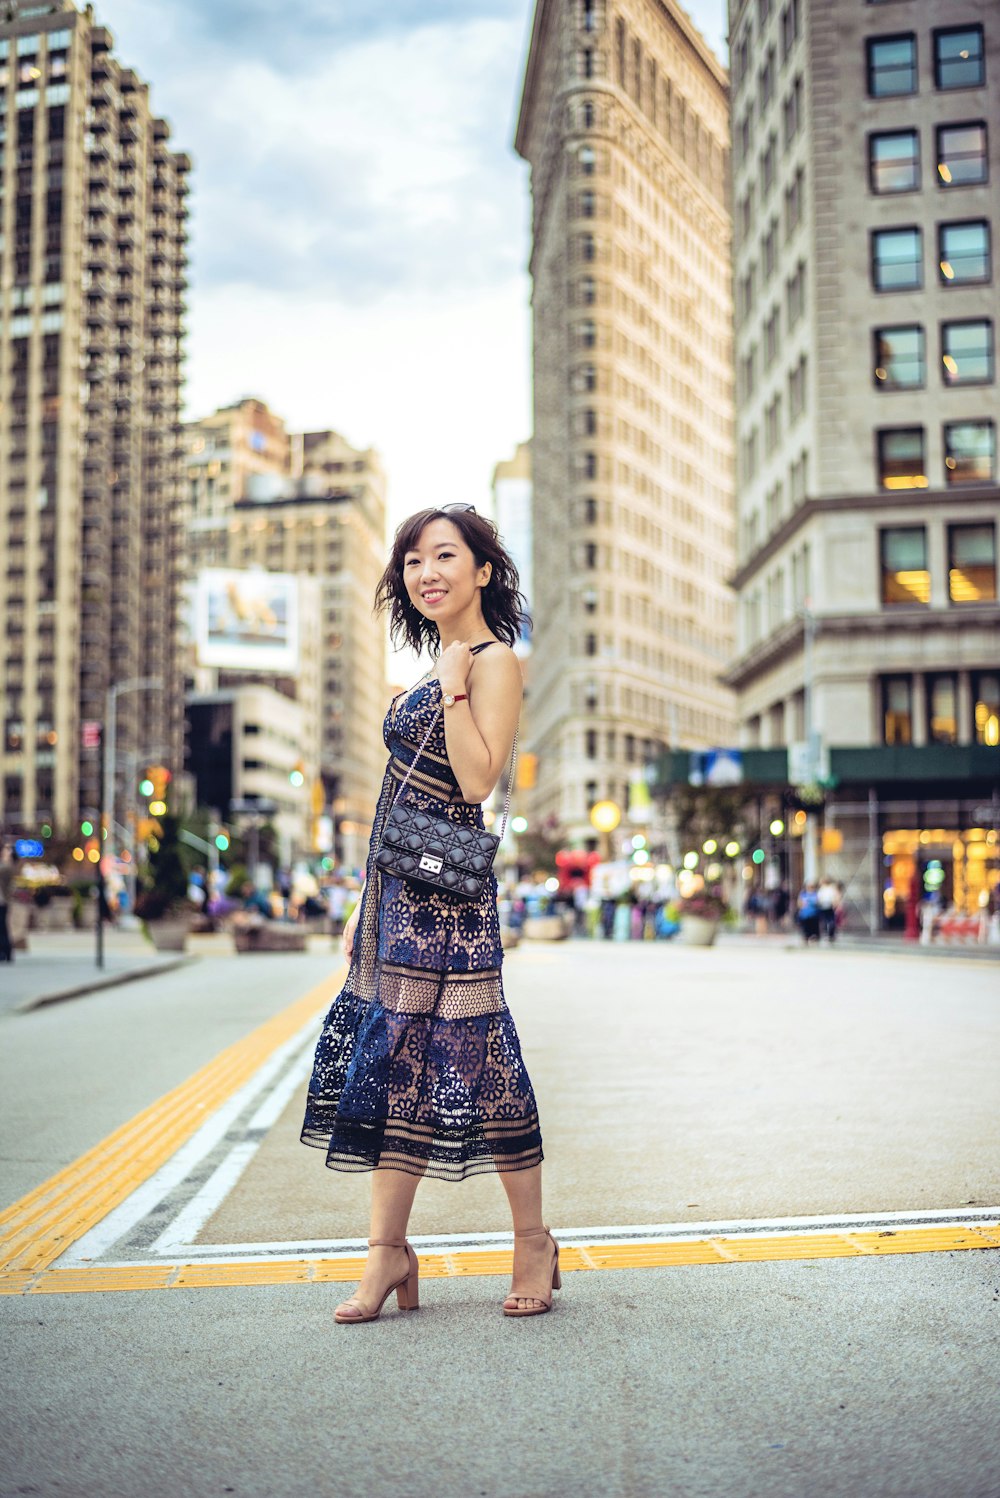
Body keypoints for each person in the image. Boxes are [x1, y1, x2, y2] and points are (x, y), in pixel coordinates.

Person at [300, 506, 557, 1323]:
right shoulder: (431, 665)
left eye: (444, 555)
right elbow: (392, 803)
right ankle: (387, 1258)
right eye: (413, 560)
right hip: (396, 901)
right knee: (392, 1066)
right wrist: (361, 905)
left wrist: (451, 688)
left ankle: (533, 1244)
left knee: (478, 1062)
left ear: (482, 570)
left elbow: (477, 781)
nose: (426, 572)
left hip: (452, 905)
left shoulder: (492, 662)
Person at [0, 844, 15, 963]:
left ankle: (6, 951)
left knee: (2, 927)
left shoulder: (6, 867)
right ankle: (6, 951)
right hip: (3, 901)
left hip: (2, 902)